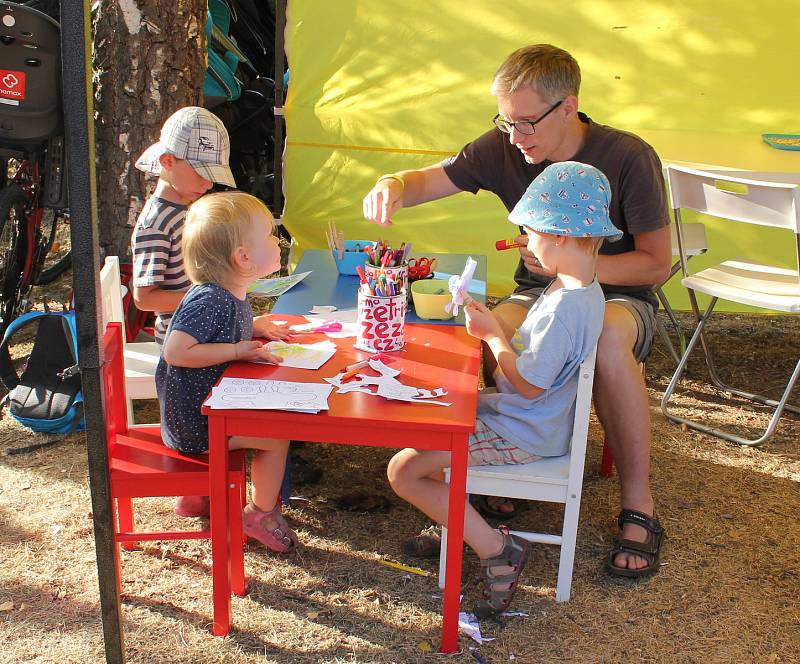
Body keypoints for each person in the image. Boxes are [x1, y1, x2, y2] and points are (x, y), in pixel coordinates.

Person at [364, 44, 670, 578]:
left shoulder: (627, 156)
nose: (515, 137)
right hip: (539, 294)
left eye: (526, 123)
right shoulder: (508, 143)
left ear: (568, 107)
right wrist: (392, 184)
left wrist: (577, 273)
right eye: (505, 122)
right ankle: (493, 475)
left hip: (619, 294)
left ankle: (639, 504)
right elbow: (427, 180)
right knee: (478, 331)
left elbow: (655, 265)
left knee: (605, 339)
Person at [388, 162, 622, 616]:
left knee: (404, 471)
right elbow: (539, 368)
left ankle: (495, 548)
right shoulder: (582, 287)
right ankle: (456, 519)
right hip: (528, 421)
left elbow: (531, 387)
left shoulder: (563, 308)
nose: (524, 243)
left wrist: (493, 336)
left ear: (558, 235)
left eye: (530, 233)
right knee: (426, 425)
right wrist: (497, 329)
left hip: (523, 429)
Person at [155, 191, 299, 553]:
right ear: (243, 257)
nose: (277, 241)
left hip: (199, 414)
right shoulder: (211, 299)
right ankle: (259, 514)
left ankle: (196, 497)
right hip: (196, 426)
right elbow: (176, 351)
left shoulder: (227, 291)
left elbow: (218, 329)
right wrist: (237, 349)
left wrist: (253, 327)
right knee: (276, 436)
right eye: (269, 234)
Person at [131, 105, 292, 347]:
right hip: (187, 342)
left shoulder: (190, 207)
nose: (208, 184)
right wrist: (217, 303)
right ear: (167, 161)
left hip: (214, 328)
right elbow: (144, 299)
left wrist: (242, 320)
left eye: (213, 175)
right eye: (200, 173)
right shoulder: (156, 222)